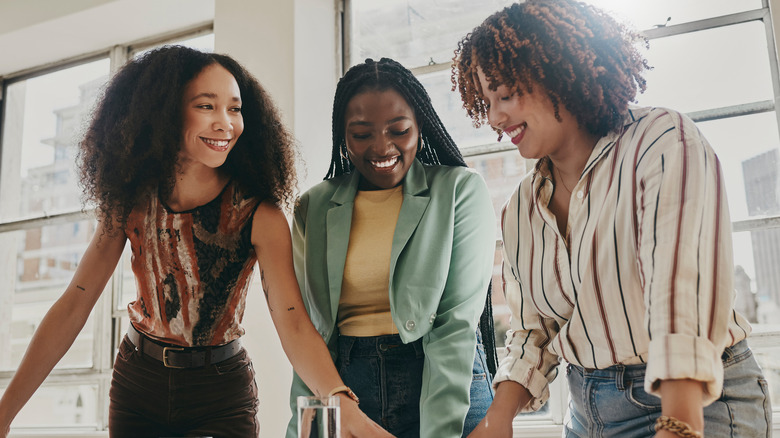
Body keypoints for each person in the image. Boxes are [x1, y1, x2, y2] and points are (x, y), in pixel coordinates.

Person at [0, 45, 390, 438]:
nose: (225, 123)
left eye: (235, 109)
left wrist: (339, 400)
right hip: (138, 383)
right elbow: (74, 306)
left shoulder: (261, 215)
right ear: (164, 111)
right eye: (207, 106)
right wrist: (4, 414)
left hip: (218, 394)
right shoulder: (129, 202)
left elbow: (293, 322)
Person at [452, 1, 772, 437]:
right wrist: (498, 418)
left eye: (505, 95)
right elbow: (533, 334)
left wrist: (679, 425)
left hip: (697, 400)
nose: (494, 117)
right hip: (588, 412)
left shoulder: (661, 142)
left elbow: (682, 298)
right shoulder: (519, 210)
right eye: (486, 103)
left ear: (558, 72)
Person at [287, 57, 498, 438]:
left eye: (399, 130)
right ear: (343, 136)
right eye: (362, 134)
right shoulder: (313, 207)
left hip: (444, 381)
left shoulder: (459, 191)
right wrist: (307, 422)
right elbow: (312, 332)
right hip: (350, 389)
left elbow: (454, 326)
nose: (382, 147)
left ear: (420, 126)